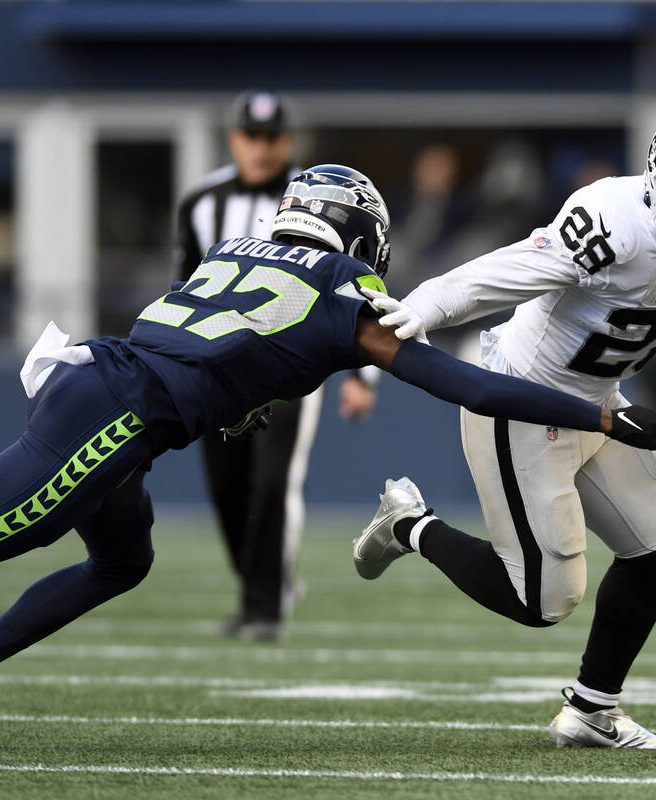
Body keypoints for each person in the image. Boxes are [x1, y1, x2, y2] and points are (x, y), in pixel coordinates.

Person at [0, 164, 656, 751]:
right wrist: (598, 418)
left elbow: (213, 343)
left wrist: (236, 401)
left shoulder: (230, 249)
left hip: (100, 384)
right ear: (362, 236)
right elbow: (469, 386)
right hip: (112, 419)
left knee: (121, 563)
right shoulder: (344, 296)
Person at [352, 105, 656, 750]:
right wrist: (428, 304)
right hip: (525, 399)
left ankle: (592, 711)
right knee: (543, 601)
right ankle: (409, 525)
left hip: (603, 398)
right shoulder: (612, 222)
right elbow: (508, 271)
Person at [176, 90, 378, 640]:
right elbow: (186, 285)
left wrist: (363, 374)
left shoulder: (322, 197)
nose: (262, 148)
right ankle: (260, 587)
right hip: (218, 360)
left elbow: (361, 283)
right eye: (251, 136)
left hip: (291, 363)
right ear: (234, 139)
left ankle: (266, 607)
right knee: (227, 484)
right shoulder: (201, 203)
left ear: (288, 142)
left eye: (272, 138)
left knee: (273, 480)